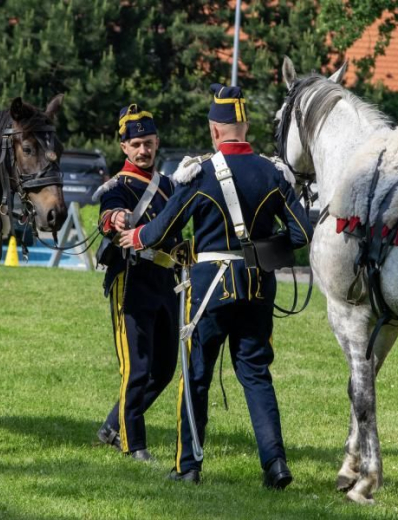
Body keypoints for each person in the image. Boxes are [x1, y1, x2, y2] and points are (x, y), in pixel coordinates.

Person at [118, 84, 311, 487]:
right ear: (244, 125)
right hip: (257, 286)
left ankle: (188, 466)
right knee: (256, 375)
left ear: (214, 130)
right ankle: (275, 464)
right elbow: (301, 235)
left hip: (208, 290)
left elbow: (161, 230)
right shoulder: (273, 172)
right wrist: (259, 255)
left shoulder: (199, 172)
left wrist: (135, 237)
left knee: (197, 377)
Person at [93, 104, 181, 461]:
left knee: (163, 368)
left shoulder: (170, 186)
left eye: (148, 143)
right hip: (132, 281)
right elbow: (107, 215)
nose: (143, 150)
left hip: (166, 281)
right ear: (124, 147)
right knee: (137, 366)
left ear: (157, 142)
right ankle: (134, 443)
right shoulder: (118, 186)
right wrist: (115, 218)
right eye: (136, 144)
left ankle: (113, 425)